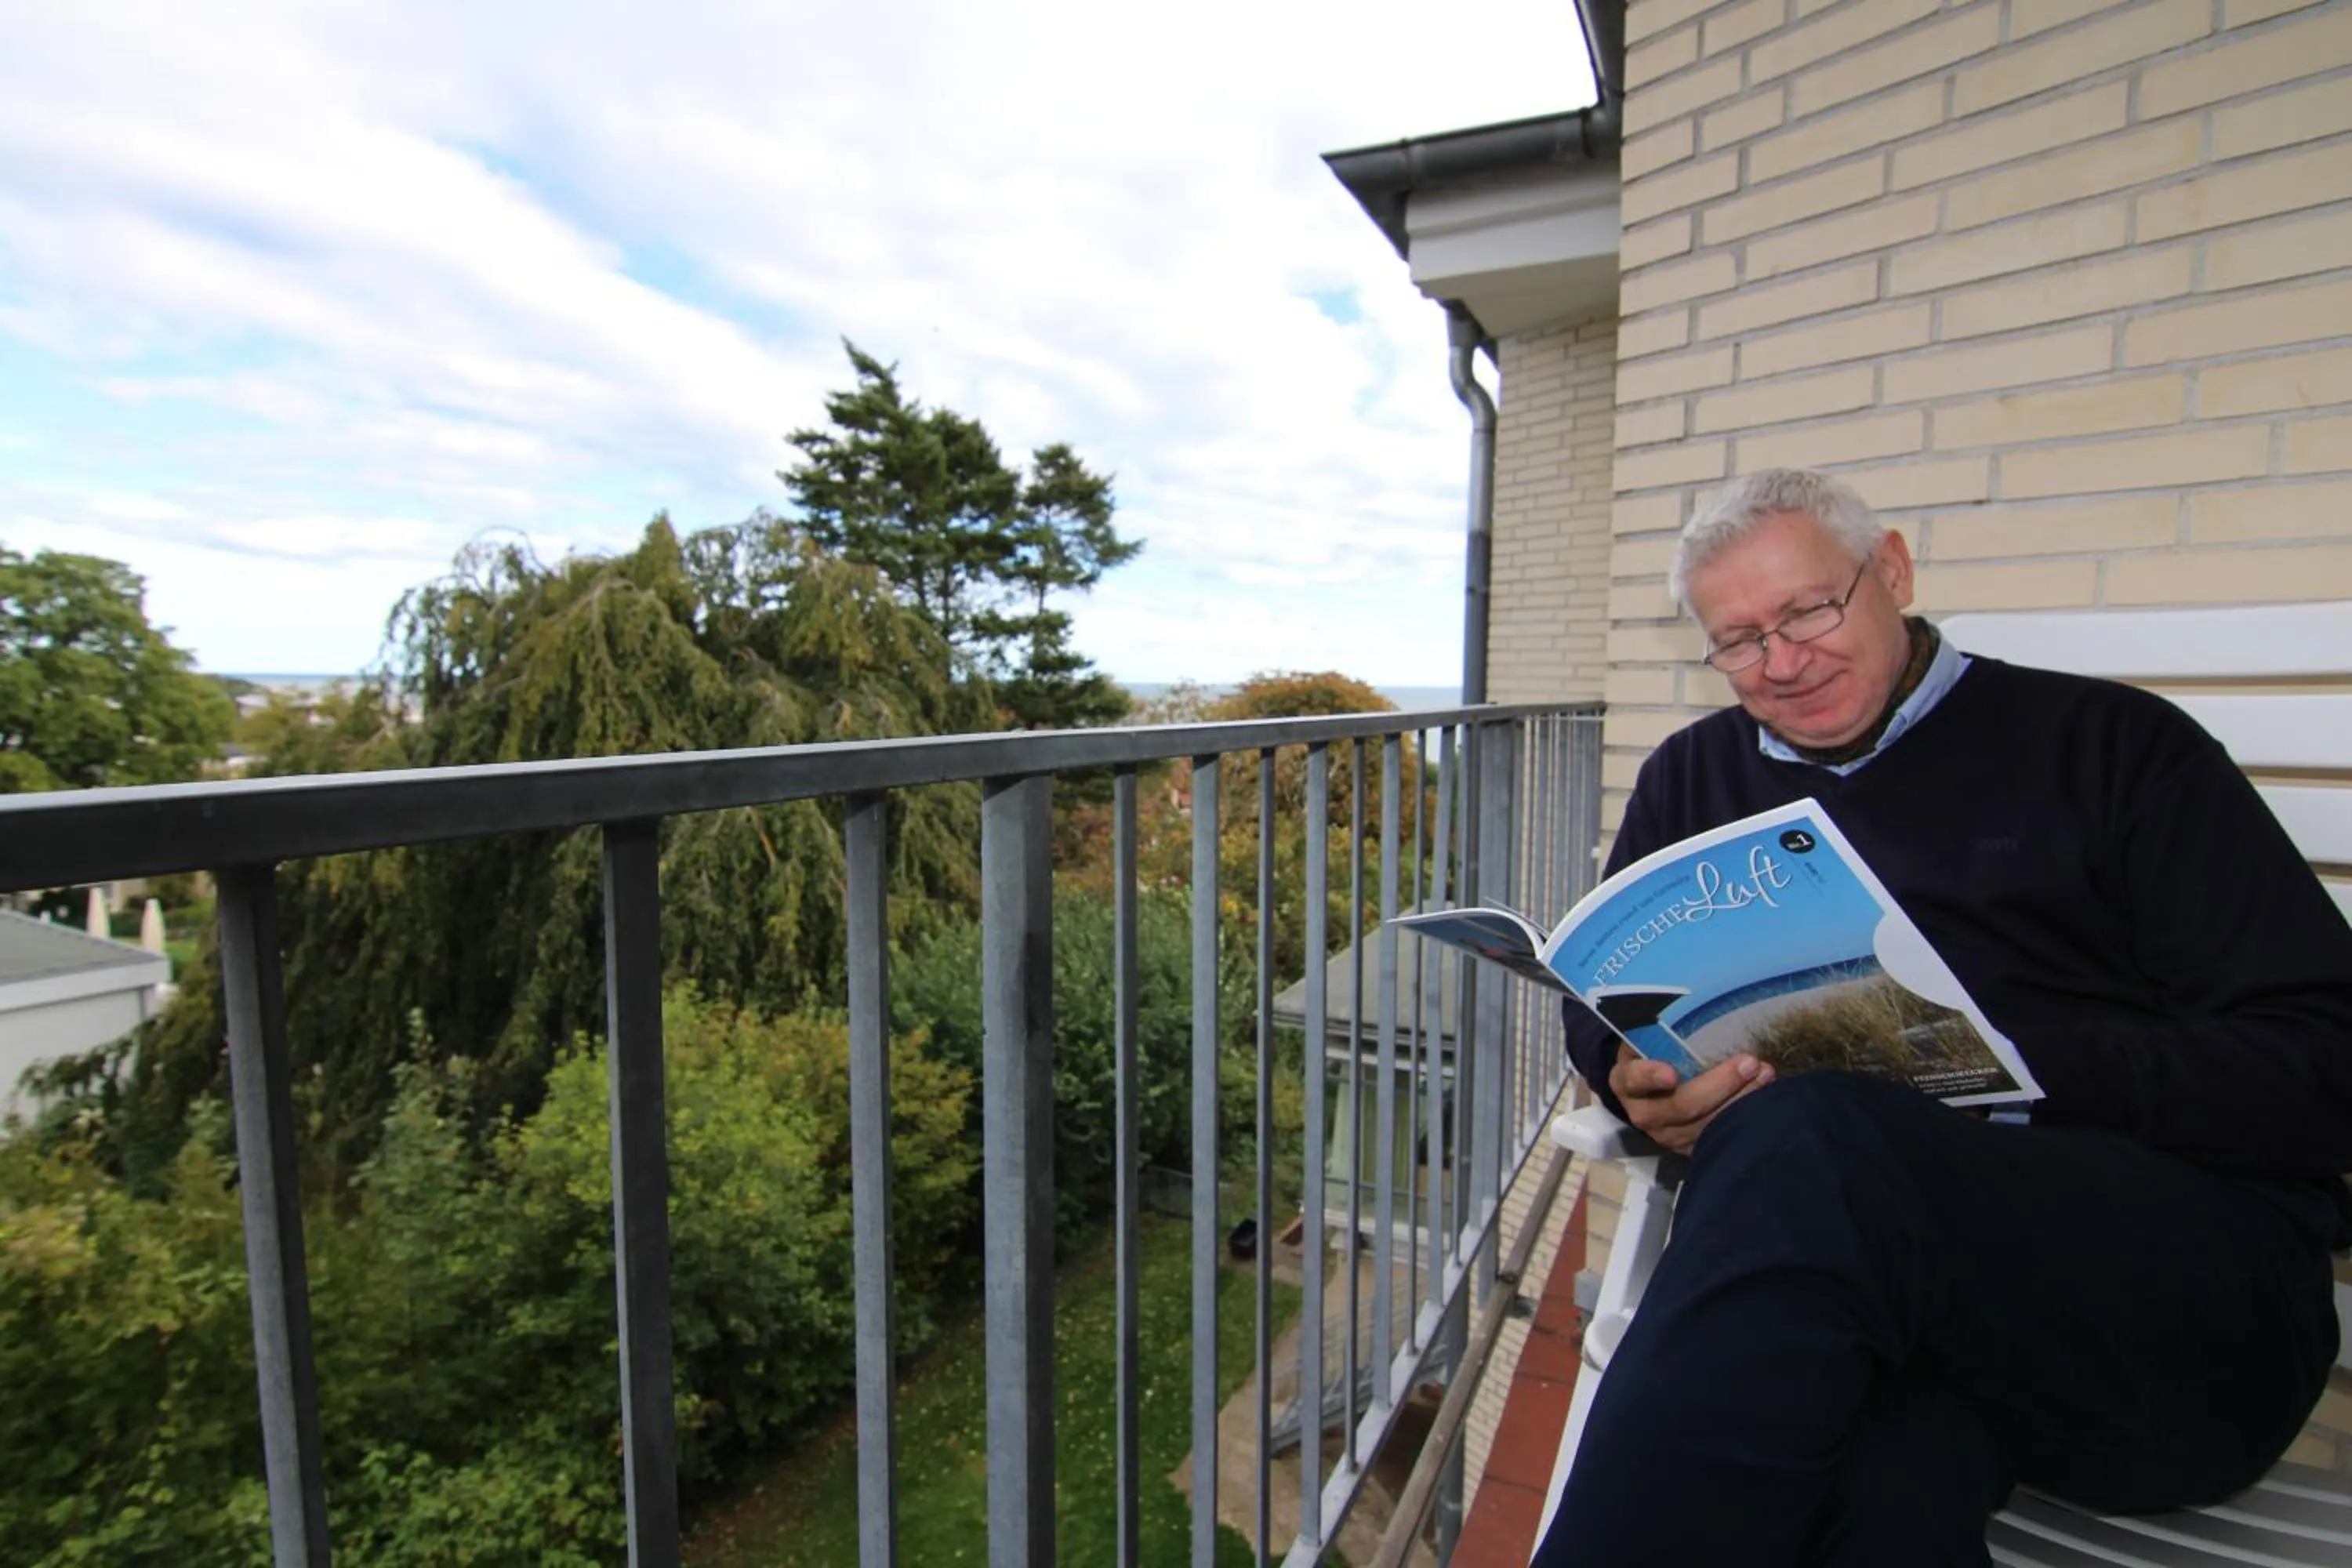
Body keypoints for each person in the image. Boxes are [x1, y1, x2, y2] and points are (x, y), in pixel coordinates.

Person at [1529, 468, 2352, 1568]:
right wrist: (1631, 1074)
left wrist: (2014, 1066)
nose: (1781, 661)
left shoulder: (2115, 750)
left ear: (1895, 574)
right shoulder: (1696, 775)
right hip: (1918, 1326)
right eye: (1739, 640)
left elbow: (2324, 1065)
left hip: (2177, 1320)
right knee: (1873, 1476)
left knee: (1817, 1138)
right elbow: (1617, 1001)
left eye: (1809, 611)